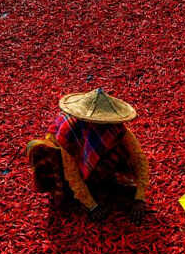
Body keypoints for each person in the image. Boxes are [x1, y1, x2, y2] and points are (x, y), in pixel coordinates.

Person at [26, 88, 150, 224]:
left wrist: (140, 197)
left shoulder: (117, 130)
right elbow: (71, 172)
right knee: (37, 148)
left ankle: (98, 182)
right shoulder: (68, 132)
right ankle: (69, 192)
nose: (102, 127)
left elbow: (139, 158)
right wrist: (91, 206)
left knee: (121, 152)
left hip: (90, 165)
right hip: (63, 165)